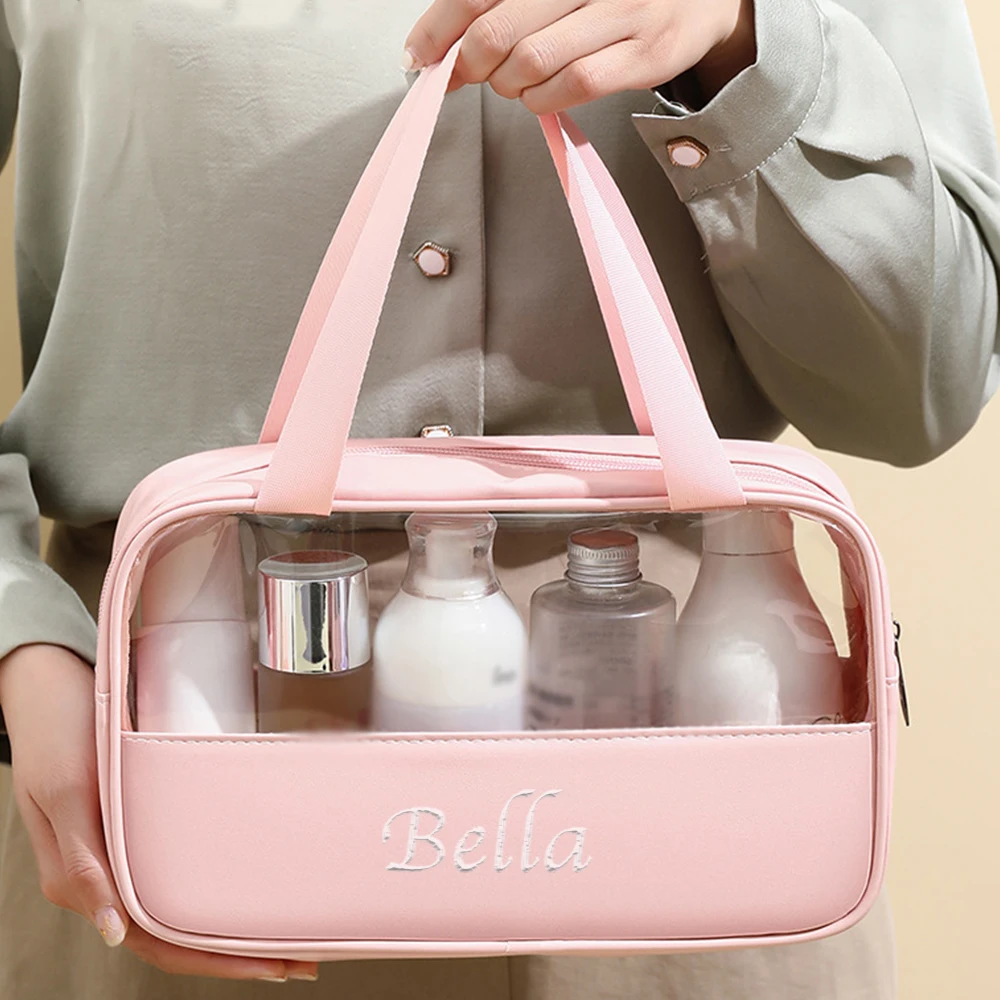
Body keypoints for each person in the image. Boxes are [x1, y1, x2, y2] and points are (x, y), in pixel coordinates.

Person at [0, 0, 997, 996]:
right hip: (160, 762)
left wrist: (741, 39)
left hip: (696, 776)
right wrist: (17, 633)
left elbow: (927, 384)